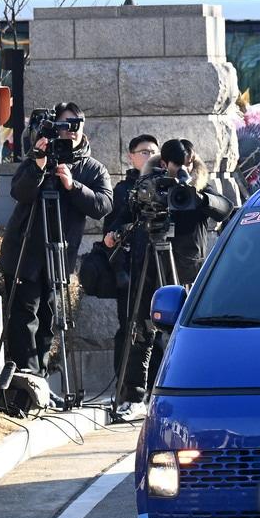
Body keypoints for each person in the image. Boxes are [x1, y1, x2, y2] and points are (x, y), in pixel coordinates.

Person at [116, 138, 231, 415]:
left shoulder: (200, 183)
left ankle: (197, 392)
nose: (182, 170)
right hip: (151, 265)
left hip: (187, 268)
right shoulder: (150, 183)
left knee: (191, 331)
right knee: (141, 328)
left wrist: (199, 196)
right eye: (177, 165)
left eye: (187, 164)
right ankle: (134, 396)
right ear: (164, 163)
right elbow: (126, 215)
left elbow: (225, 208)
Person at [0, 102, 113, 379]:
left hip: (59, 255)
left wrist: (73, 186)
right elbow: (18, 192)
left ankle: (40, 377)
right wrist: (38, 166)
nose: (71, 130)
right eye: (65, 124)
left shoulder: (92, 168)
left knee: (49, 320)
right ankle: (26, 380)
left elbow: (103, 205)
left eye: (76, 124)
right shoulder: (37, 158)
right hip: (25, 251)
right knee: (23, 318)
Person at [104, 134, 160, 381]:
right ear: (131, 157)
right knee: (131, 328)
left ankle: (155, 385)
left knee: (160, 329)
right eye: (144, 152)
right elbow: (113, 228)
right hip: (132, 270)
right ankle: (128, 387)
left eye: (154, 152)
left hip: (160, 268)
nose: (150, 157)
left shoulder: (166, 185)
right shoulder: (124, 190)